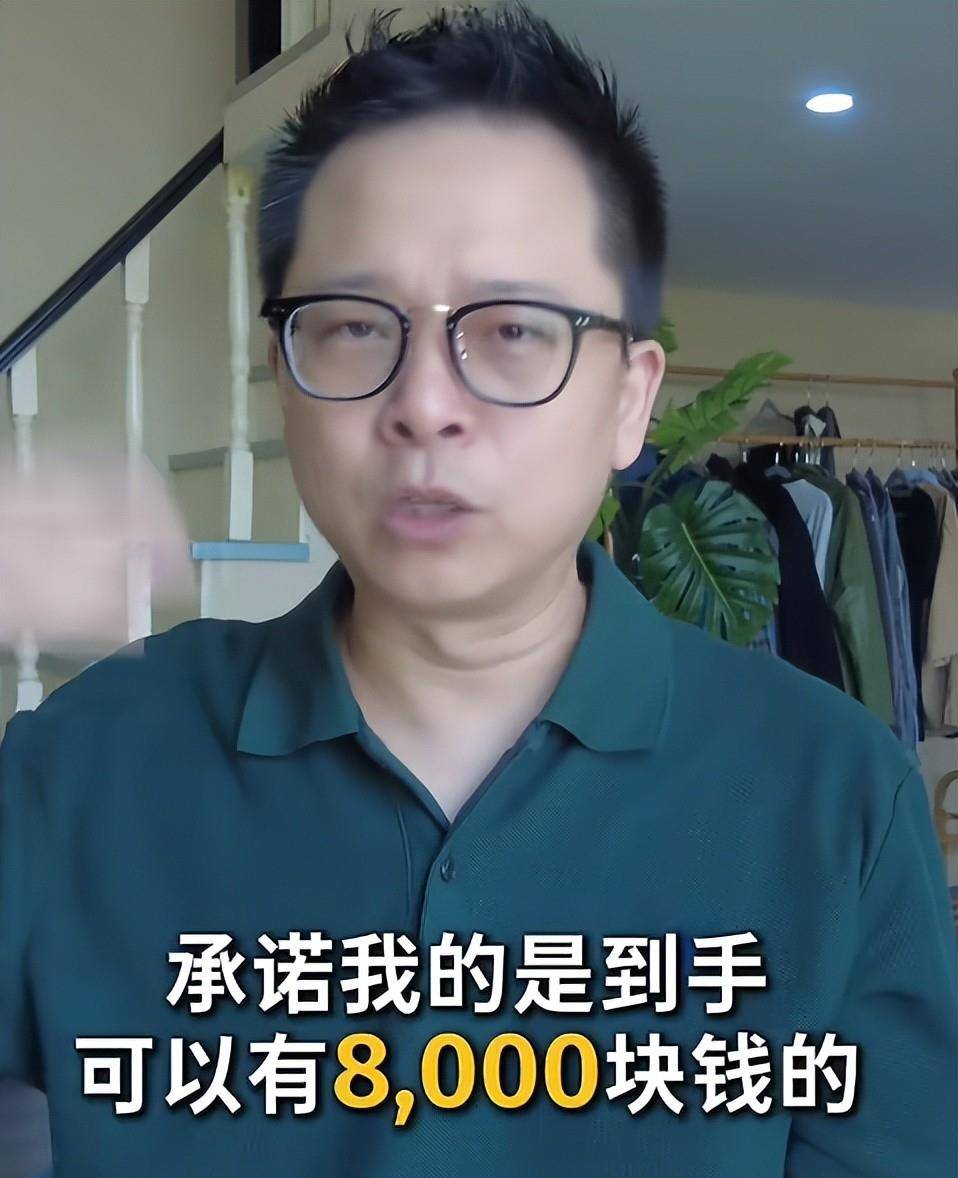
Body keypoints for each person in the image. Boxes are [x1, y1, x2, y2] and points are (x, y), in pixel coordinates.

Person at [0, 4, 954, 1175]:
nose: (424, 404)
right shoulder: (77, 767)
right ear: (283, 382)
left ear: (629, 399)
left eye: (512, 328)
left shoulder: (834, 796)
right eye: (355, 325)